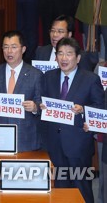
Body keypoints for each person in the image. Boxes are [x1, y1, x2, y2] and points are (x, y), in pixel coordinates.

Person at [40, 37, 104, 203]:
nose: (64, 58)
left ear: (78, 58)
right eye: (60, 53)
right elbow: (42, 101)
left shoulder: (90, 79)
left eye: (69, 54)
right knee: (59, 190)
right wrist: (41, 107)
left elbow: (101, 108)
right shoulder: (48, 77)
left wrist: (83, 110)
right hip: (54, 144)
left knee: (81, 189)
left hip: (79, 145)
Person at [0, 31, 42, 152]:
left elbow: (41, 104)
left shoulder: (35, 74)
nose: (9, 51)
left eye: (13, 47)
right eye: (5, 47)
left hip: (25, 138)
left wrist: (34, 107)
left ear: (23, 49)